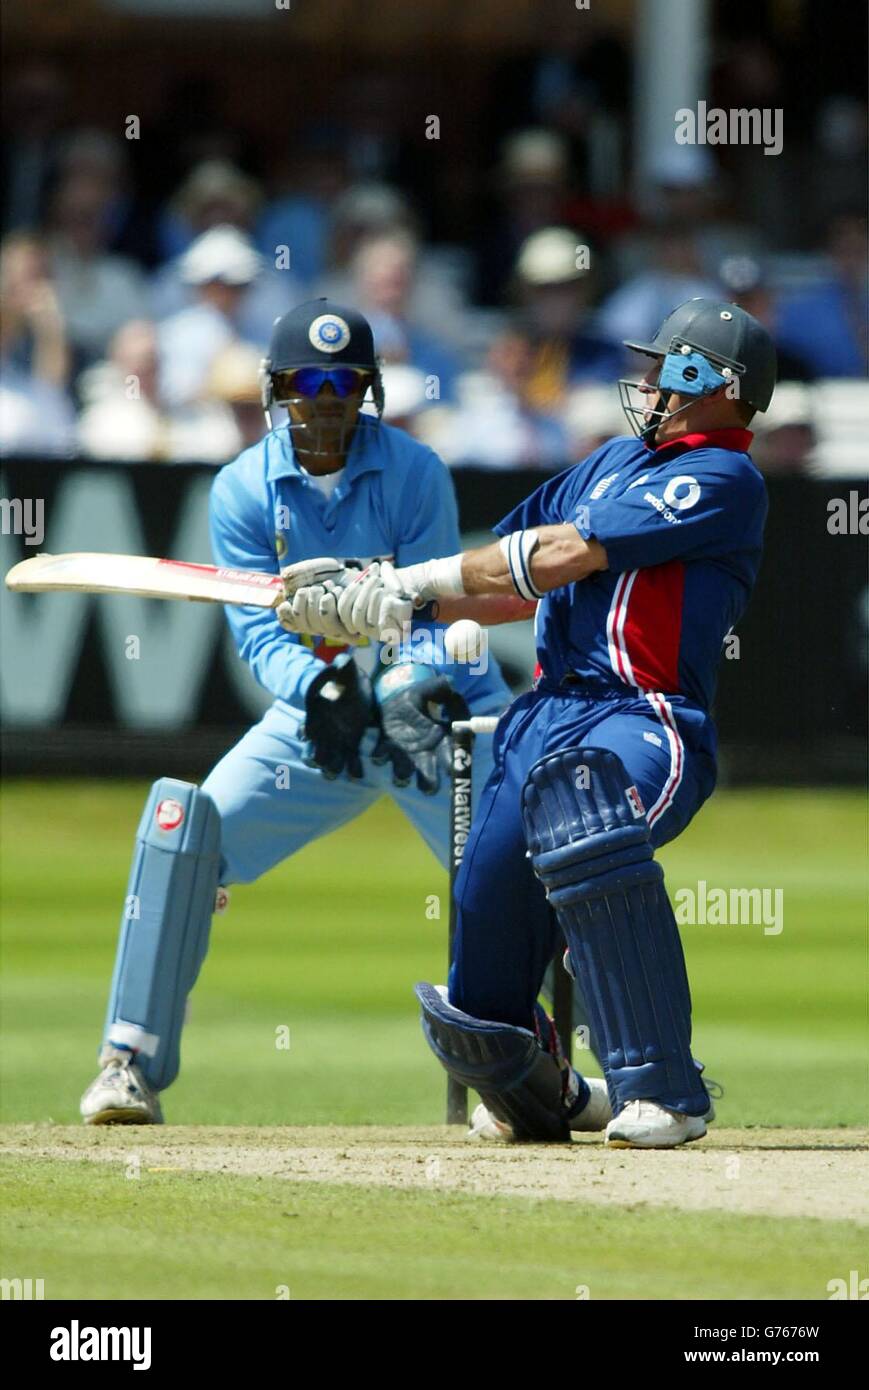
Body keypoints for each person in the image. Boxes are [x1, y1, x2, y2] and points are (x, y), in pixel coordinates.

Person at [281, 297, 777, 1149]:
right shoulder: (611, 461)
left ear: (714, 383)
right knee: (483, 928)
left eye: (667, 369)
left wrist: (410, 581)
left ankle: (664, 1089)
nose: (650, 382)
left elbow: (565, 553)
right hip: (543, 714)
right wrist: (383, 601)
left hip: (643, 716)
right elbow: (513, 584)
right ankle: (546, 1085)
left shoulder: (724, 476)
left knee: (587, 820)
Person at [79, 299, 509, 1125]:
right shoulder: (242, 488)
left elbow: (427, 611)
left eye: (345, 381)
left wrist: (390, 680)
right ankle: (128, 1063)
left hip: (436, 713)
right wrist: (320, 691)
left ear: (368, 389)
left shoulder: (416, 470)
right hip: (320, 721)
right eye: (308, 382)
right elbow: (257, 632)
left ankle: (514, 1072)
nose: (327, 398)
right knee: (183, 831)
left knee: (513, 868)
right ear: (278, 390)